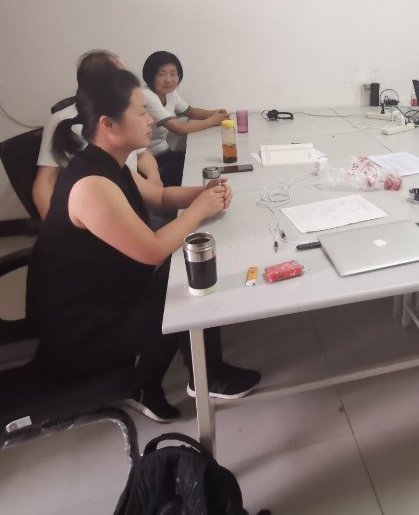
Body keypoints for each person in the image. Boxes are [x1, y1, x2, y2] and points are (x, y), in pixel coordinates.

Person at [27, 69, 260, 423]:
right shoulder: (91, 184)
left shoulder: (109, 162)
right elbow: (152, 250)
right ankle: (161, 381)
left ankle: (178, 375)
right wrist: (199, 210)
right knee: (192, 278)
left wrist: (204, 193)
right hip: (83, 332)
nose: (150, 119)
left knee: (187, 267)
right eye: (140, 112)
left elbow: (161, 196)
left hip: (109, 297)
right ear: (107, 124)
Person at [33, 50, 161, 219]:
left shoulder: (121, 169)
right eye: (120, 75)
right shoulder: (64, 122)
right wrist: (52, 224)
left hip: (133, 196)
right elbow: (45, 181)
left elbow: (142, 155)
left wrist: (154, 179)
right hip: (105, 209)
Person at [141, 51, 230, 187]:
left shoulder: (170, 93)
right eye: (162, 74)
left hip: (166, 153)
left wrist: (213, 113)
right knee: (199, 170)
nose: (169, 80)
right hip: (150, 162)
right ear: (150, 76)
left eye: (173, 74)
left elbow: (190, 112)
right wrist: (212, 120)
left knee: (203, 163)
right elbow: (180, 129)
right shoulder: (147, 96)